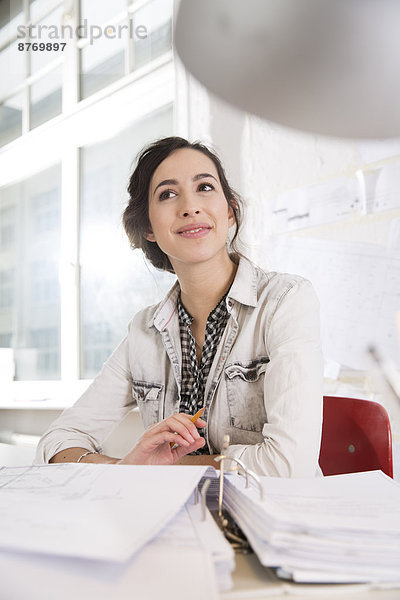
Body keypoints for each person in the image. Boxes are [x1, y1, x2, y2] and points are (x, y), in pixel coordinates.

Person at [35, 136, 323, 476]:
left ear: (230, 211)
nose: (190, 206)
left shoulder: (285, 300)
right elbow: (55, 443)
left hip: (274, 520)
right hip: (170, 520)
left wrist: (163, 472)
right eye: (168, 194)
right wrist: (127, 466)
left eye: (204, 187)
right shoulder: (144, 332)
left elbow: (291, 465)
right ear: (148, 228)